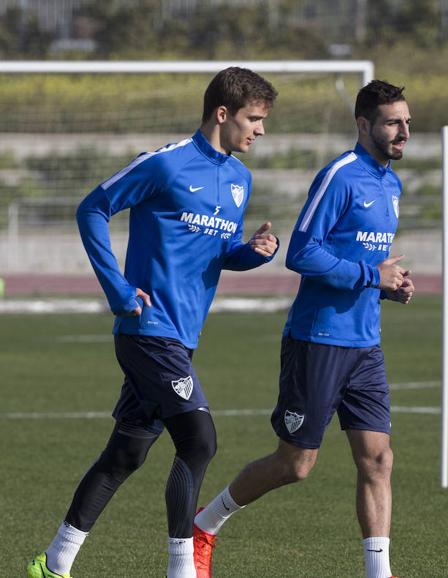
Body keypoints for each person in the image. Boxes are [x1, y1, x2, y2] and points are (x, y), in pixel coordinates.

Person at [27, 67, 278, 578]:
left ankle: (53, 564)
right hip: (147, 331)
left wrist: (250, 254)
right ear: (222, 113)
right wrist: (117, 289)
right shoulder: (164, 165)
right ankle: (181, 570)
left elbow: (214, 252)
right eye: (254, 118)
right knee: (200, 440)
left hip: (183, 338)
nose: (261, 130)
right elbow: (92, 209)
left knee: (126, 453)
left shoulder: (239, 179)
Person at [193, 80, 415, 578]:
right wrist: (368, 276)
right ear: (363, 125)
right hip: (317, 340)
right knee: (296, 464)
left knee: (378, 459)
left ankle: (379, 572)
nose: (404, 132)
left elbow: (364, 263)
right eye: (393, 123)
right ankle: (204, 525)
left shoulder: (391, 185)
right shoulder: (340, 176)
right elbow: (303, 253)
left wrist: (387, 285)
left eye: (407, 123)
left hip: (366, 344)